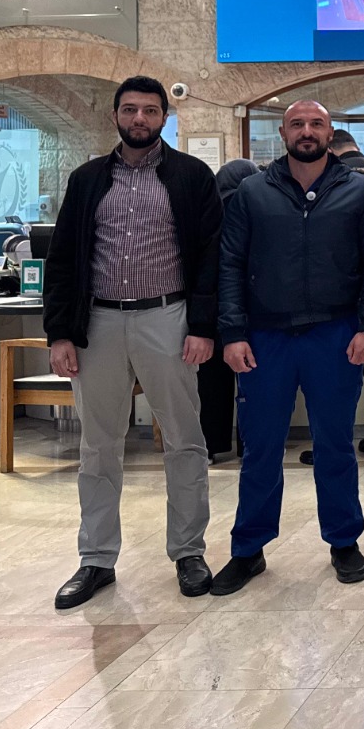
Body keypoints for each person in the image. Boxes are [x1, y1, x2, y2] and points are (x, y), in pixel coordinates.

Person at [44, 77, 222, 610]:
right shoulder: (87, 179)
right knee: (98, 444)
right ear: (115, 116)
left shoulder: (191, 176)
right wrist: (60, 332)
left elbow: (211, 257)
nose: (139, 119)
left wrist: (203, 326)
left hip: (167, 317)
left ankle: (188, 551)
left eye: (149, 110)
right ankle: (96, 558)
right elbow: (63, 258)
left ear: (165, 116)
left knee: (185, 439)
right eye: (129, 110)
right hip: (97, 323)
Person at [210, 101, 364, 596]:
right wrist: (232, 332)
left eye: (316, 124)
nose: (306, 131)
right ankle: (248, 549)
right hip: (265, 338)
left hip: (335, 334)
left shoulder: (359, 191)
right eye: (297, 124)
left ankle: (344, 540)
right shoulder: (252, 192)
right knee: (261, 447)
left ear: (330, 132)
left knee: (335, 445)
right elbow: (230, 263)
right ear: (283, 133)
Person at [297, 130, 364, 464]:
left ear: (330, 149)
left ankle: (331, 443)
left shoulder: (328, 181)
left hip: (338, 292)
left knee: (332, 371)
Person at [198, 159, 259, 463]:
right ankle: (250, 445)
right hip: (251, 311)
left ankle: (212, 446)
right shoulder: (255, 210)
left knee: (212, 386)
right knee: (252, 385)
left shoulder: (207, 214)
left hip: (212, 314)